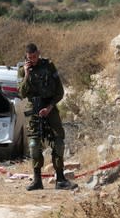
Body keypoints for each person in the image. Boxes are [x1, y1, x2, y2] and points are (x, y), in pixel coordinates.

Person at [18, 43, 78, 191]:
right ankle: (37, 180)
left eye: (35, 56)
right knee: (34, 146)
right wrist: (26, 74)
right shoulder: (22, 70)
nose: (33, 59)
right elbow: (21, 93)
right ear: (26, 57)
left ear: (39, 53)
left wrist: (50, 107)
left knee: (58, 143)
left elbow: (60, 92)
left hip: (49, 108)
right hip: (33, 110)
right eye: (30, 57)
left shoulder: (49, 66)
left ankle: (61, 179)